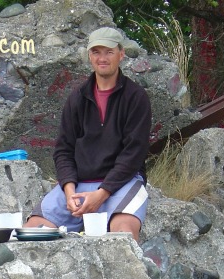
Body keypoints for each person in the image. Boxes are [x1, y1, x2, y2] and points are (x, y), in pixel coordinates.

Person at [24, 27, 152, 242]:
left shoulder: (136, 97)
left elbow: (134, 154)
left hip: (123, 182)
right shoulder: (77, 98)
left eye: (109, 52)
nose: (102, 58)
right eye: (96, 52)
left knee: (123, 234)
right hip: (79, 184)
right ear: (89, 56)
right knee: (32, 232)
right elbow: (64, 150)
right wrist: (68, 191)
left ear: (121, 54)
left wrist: (102, 194)